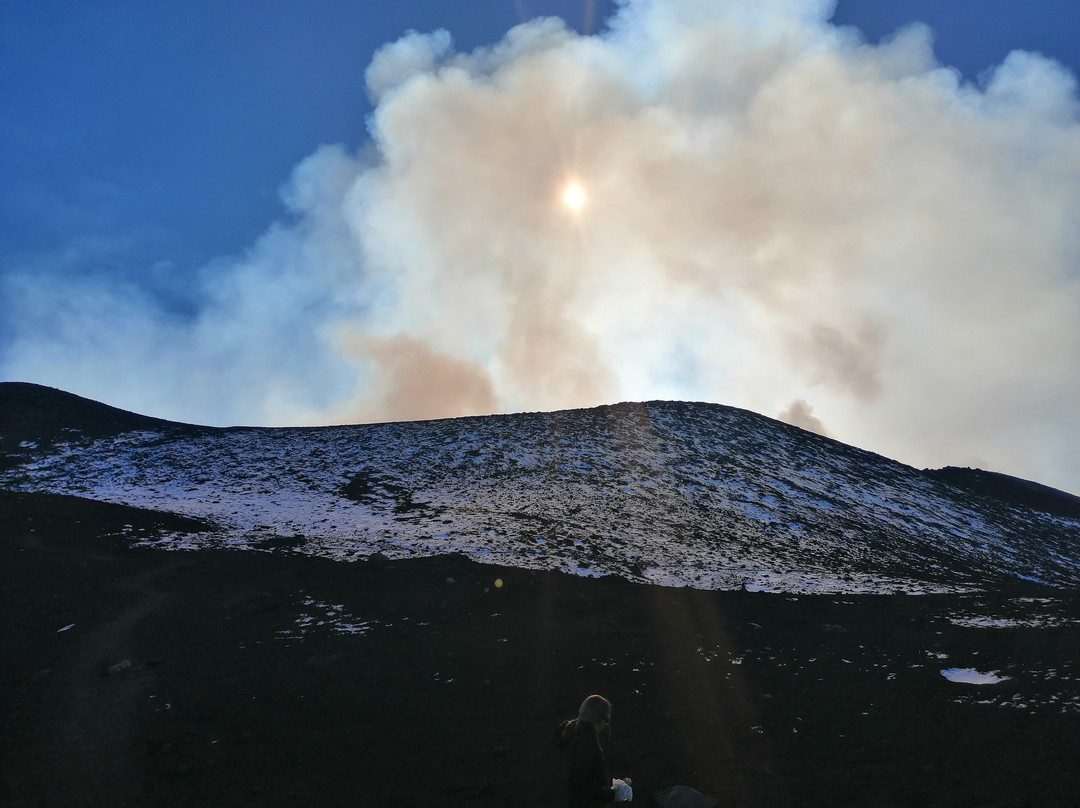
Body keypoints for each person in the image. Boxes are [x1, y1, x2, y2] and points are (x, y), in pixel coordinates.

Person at [554, 694, 633, 806]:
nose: (606, 725)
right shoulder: (587, 743)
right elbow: (584, 786)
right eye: (606, 720)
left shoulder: (571, 737)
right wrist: (613, 793)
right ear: (599, 718)